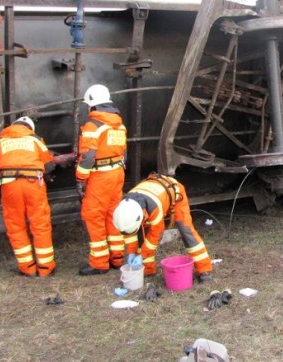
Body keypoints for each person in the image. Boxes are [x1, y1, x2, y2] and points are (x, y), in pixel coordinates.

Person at [0, 116, 58, 277]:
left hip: (10, 186)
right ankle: (46, 268)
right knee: (40, 224)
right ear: (30, 128)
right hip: (33, 184)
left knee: (15, 225)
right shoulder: (35, 140)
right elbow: (49, 166)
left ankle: (27, 268)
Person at [112, 173, 213, 282]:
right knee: (142, 236)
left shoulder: (154, 208)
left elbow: (155, 236)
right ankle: (147, 270)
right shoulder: (124, 210)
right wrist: (131, 252)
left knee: (186, 231)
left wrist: (142, 255)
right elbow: (129, 234)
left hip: (175, 191)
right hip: (156, 191)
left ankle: (204, 269)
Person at [76, 84, 127, 275]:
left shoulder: (92, 126)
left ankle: (99, 263)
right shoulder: (119, 124)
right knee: (112, 214)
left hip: (101, 176)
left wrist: (80, 178)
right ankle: (116, 257)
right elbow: (124, 151)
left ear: (92, 105)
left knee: (93, 215)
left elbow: (88, 157)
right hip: (117, 173)